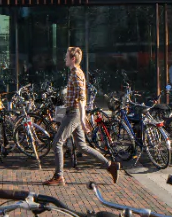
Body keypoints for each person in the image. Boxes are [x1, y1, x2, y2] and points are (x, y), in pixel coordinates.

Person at [46, 45, 118, 186]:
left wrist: (82, 118)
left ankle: (59, 177)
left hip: (73, 113)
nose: (64, 59)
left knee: (57, 143)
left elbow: (82, 97)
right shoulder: (74, 73)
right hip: (74, 112)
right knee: (82, 146)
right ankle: (110, 165)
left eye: (66, 56)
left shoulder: (76, 74)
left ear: (73, 59)